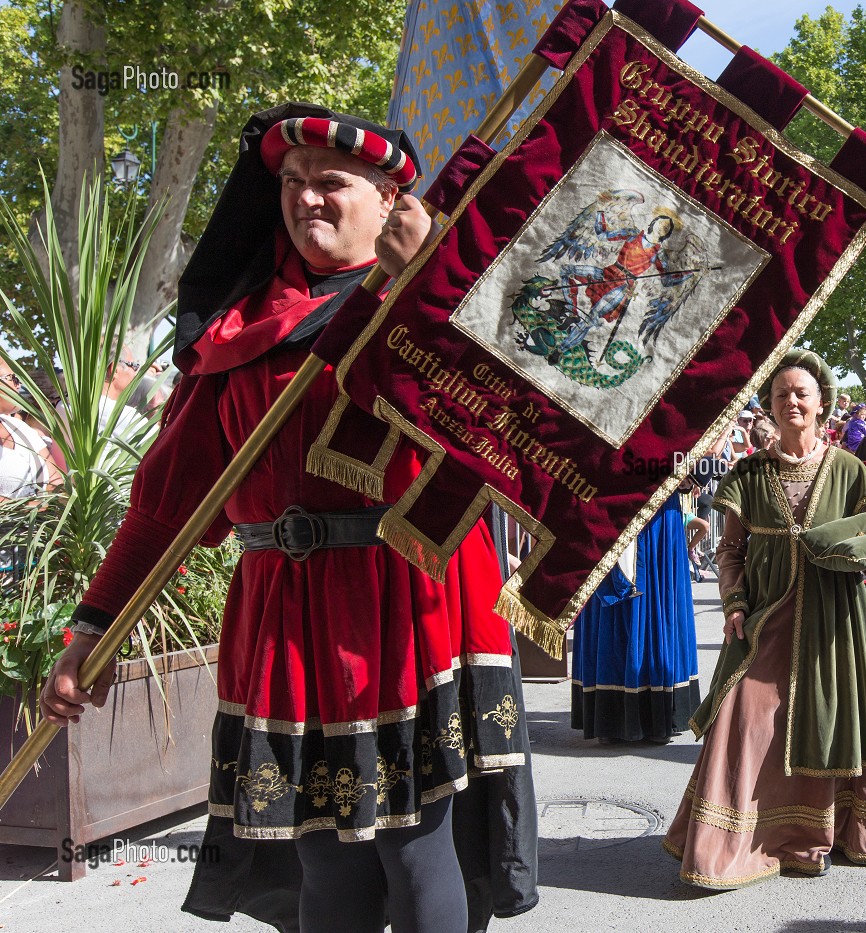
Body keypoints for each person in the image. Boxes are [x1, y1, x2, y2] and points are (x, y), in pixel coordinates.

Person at [40, 105, 536, 933]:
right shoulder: (235, 333)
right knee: (324, 862)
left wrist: (431, 294)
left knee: (414, 852)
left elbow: (518, 432)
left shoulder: (444, 302)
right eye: (292, 184)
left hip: (404, 606)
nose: (307, 199)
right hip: (281, 616)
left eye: (331, 183)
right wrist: (92, 632)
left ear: (390, 199)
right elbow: (166, 506)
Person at [664, 349, 866, 888]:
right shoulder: (748, 472)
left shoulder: (848, 469)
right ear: (768, 406)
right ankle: (732, 841)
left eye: (801, 393)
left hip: (834, 618)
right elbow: (730, 552)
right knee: (742, 718)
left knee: (826, 722)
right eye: (780, 394)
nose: (791, 401)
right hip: (764, 616)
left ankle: (816, 836)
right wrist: (734, 602)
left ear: (822, 403)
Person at [571, 493, 700, 743]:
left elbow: (696, 469)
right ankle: (613, 717)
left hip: (654, 510)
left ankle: (637, 715)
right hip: (610, 500)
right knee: (618, 605)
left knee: (651, 597)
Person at [1, 360, 62, 499]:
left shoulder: (20, 428)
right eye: (14, 379)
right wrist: (31, 508)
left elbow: (55, 481)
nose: (19, 385)